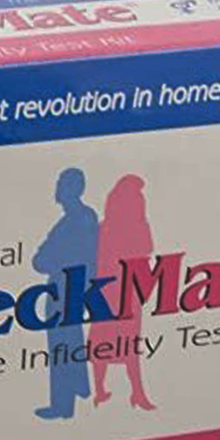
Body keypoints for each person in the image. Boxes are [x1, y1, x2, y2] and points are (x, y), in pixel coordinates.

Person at [32, 168, 99, 420]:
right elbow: (40, 260)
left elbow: (81, 257)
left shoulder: (80, 220)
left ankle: (63, 405)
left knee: (63, 347)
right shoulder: (71, 221)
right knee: (64, 346)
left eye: (62, 183)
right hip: (63, 289)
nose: (57, 188)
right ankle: (68, 401)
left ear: (73, 188)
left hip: (68, 290)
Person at [89, 174, 156, 411]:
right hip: (113, 289)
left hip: (123, 290)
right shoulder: (111, 228)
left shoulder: (108, 228)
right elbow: (145, 251)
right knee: (110, 343)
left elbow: (146, 251)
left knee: (122, 343)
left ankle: (128, 391)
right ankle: (108, 390)